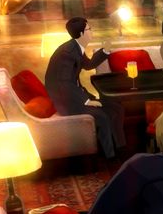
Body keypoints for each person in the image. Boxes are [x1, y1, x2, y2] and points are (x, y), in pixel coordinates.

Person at [44, 17, 125, 159]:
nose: (92, 31)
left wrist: (105, 51)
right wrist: (87, 101)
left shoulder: (76, 47)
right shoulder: (67, 53)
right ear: (81, 33)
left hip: (75, 95)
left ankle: (120, 147)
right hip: (66, 101)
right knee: (102, 116)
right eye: (89, 29)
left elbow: (88, 65)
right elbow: (64, 83)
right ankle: (110, 156)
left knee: (116, 108)